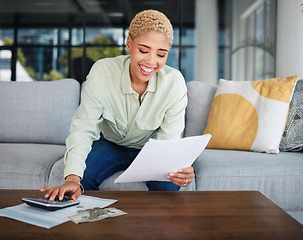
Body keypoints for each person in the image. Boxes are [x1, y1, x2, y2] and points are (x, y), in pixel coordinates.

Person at [41, 9, 195, 201]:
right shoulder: (102, 72)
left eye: (161, 54)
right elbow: (84, 128)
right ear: (129, 43)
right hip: (111, 144)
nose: (151, 61)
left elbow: (169, 140)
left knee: (168, 185)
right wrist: (72, 177)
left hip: (151, 149)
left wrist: (177, 169)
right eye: (143, 50)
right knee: (82, 180)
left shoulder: (174, 83)